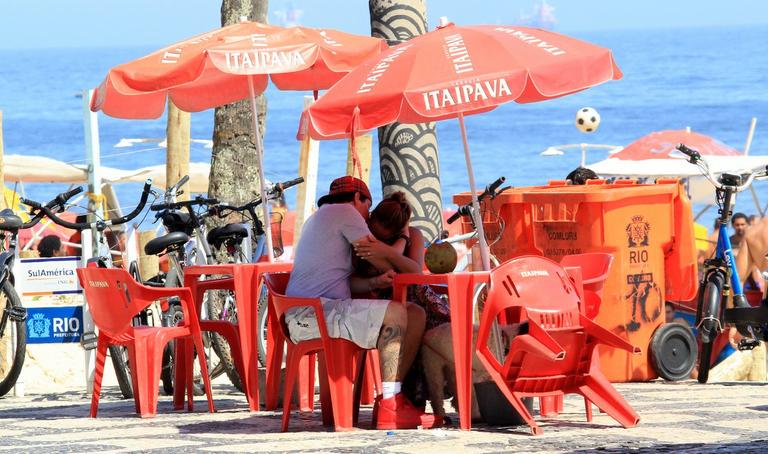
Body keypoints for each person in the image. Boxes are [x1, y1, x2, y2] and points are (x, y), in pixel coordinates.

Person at [285, 176, 438, 429]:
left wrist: (373, 284)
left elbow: (343, 277)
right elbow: (392, 266)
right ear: (358, 198)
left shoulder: (321, 216)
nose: (367, 215)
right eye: (368, 206)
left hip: (308, 313)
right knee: (396, 312)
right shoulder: (347, 212)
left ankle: (392, 397)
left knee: (415, 313)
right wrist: (401, 241)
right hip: (316, 314)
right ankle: (391, 404)